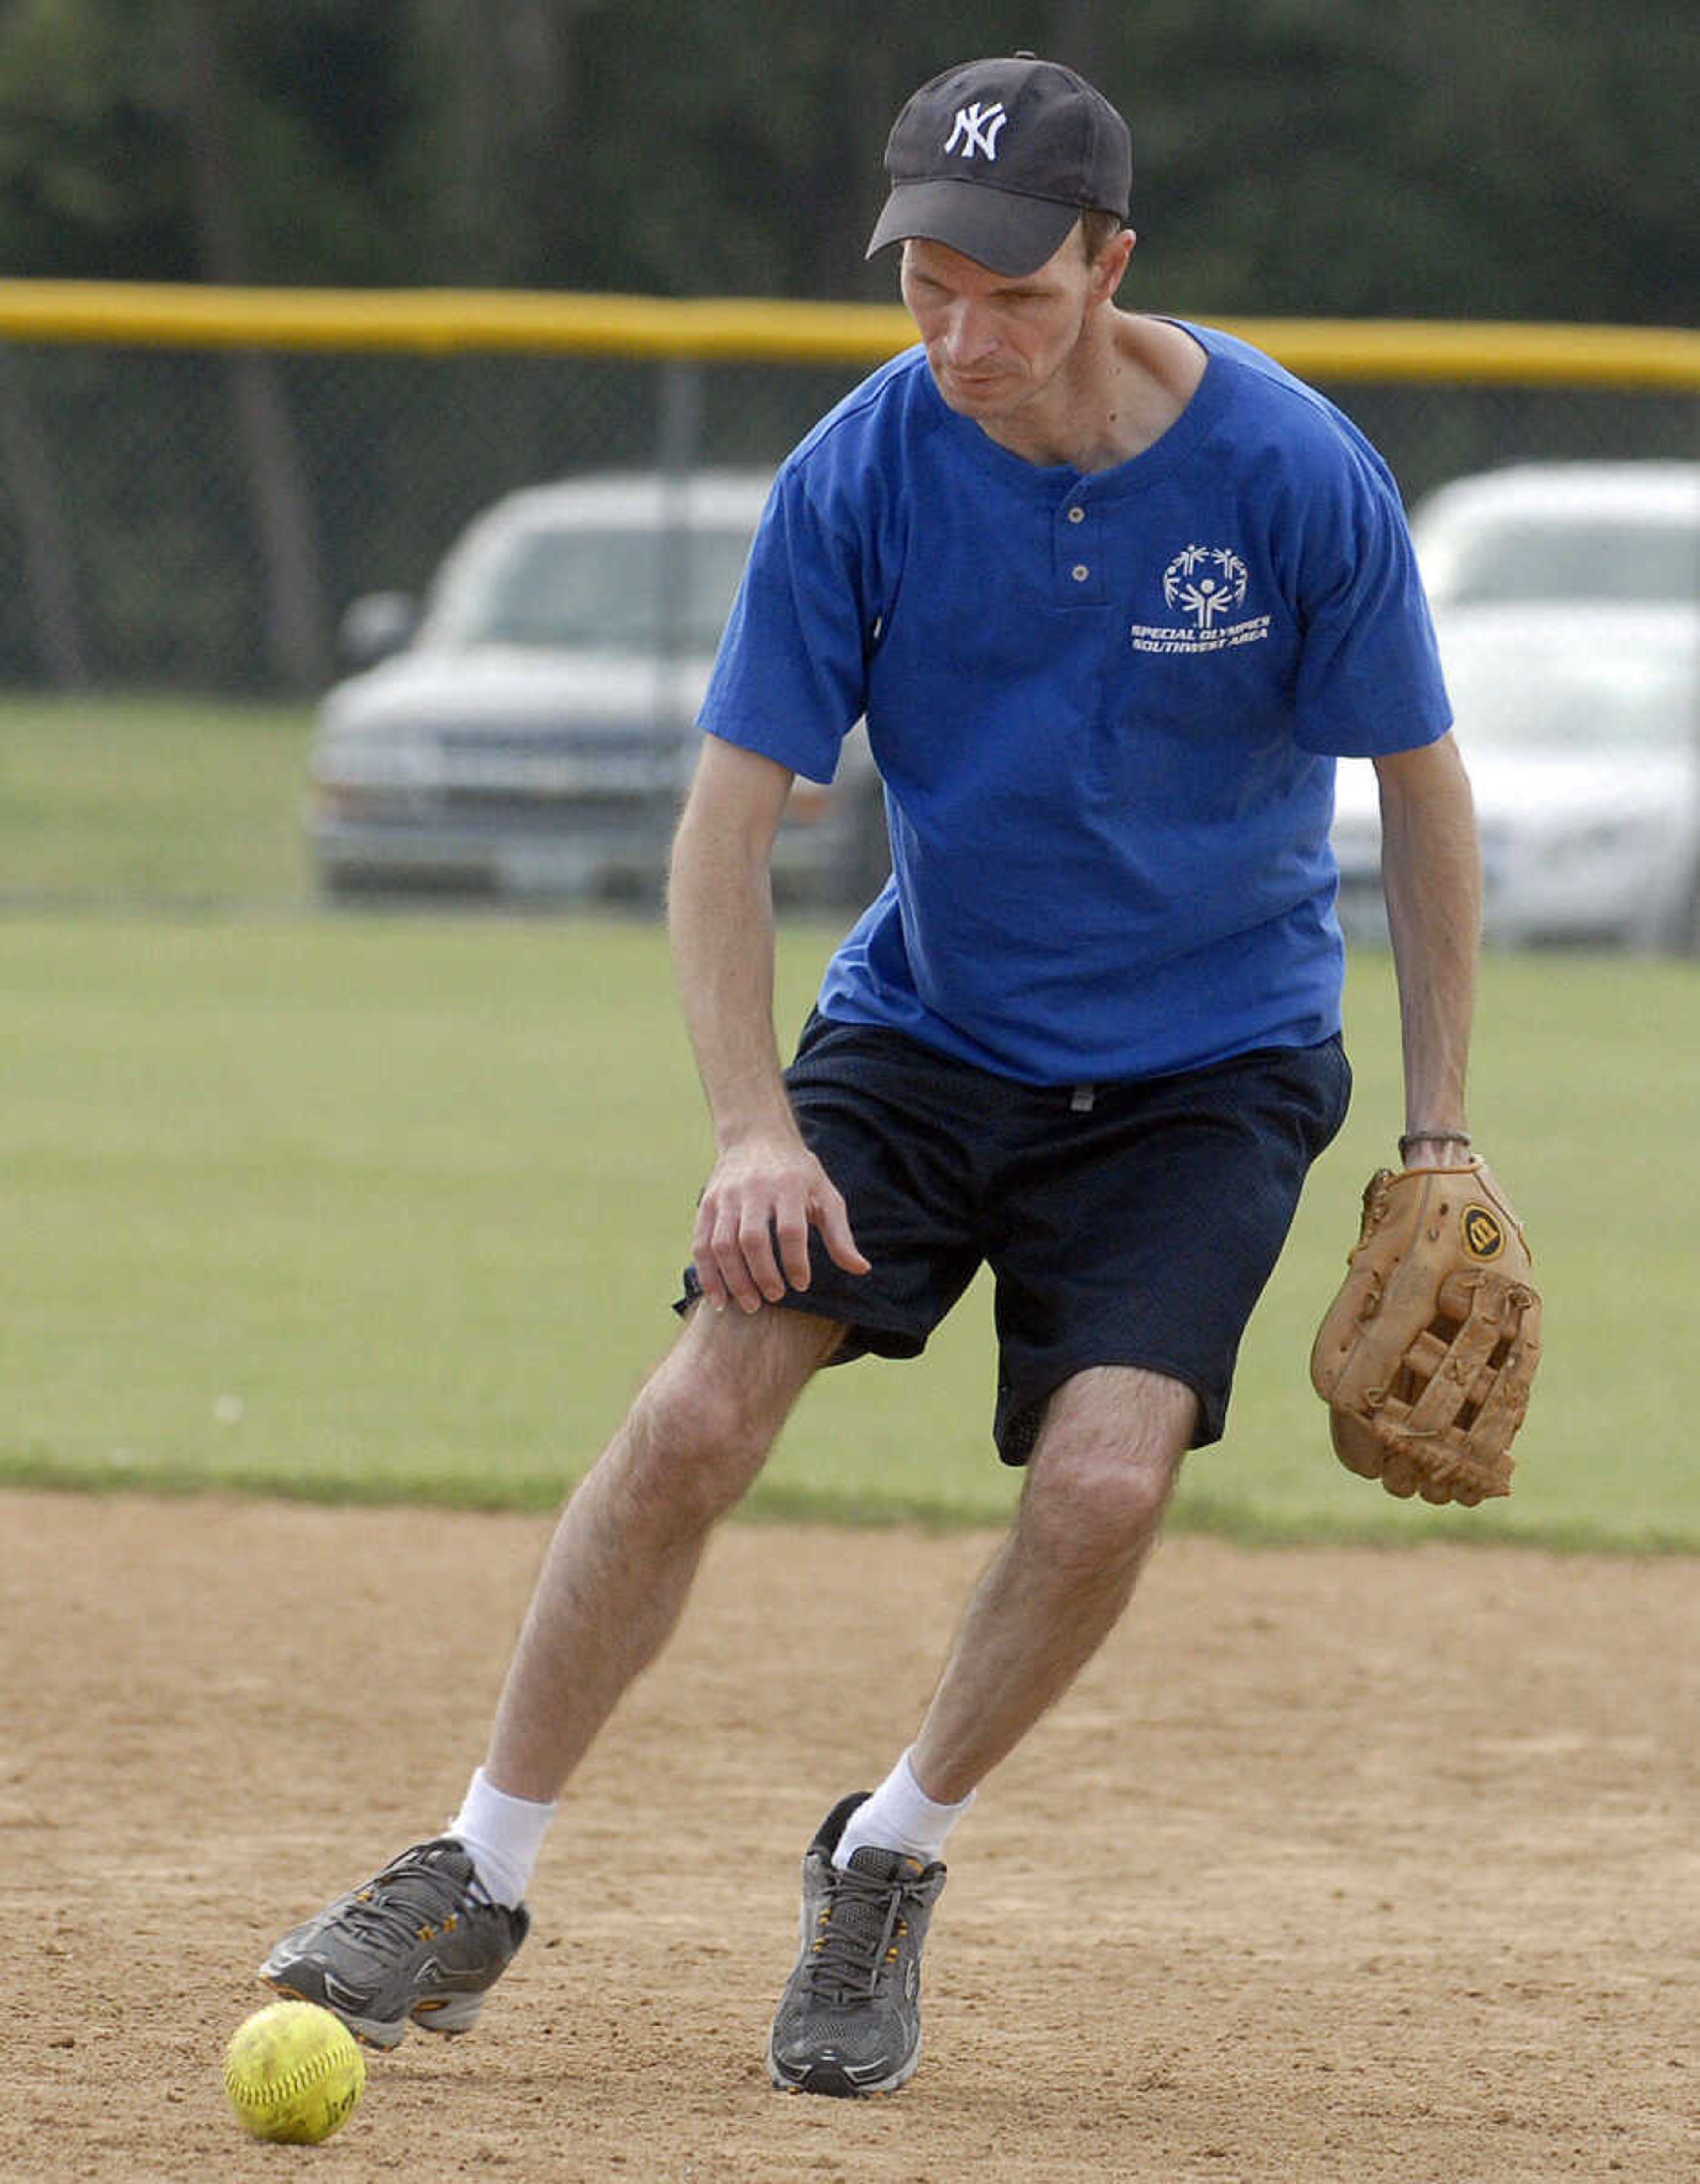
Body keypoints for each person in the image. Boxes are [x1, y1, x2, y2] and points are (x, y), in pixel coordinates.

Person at [261, 52, 1484, 2099]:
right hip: (925, 1032)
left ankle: (891, 1847)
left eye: (1012, 289)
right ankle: (476, 1866)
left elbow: (1425, 799)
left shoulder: (1289, 471)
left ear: (1110, 262)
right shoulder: (863, 471)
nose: (962, 331)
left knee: (1105, 1478)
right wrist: (754, 1124)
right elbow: (725, 828)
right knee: (694, 1417)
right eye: (927, 280)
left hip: (1213, 1061)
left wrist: (1442, 1123)